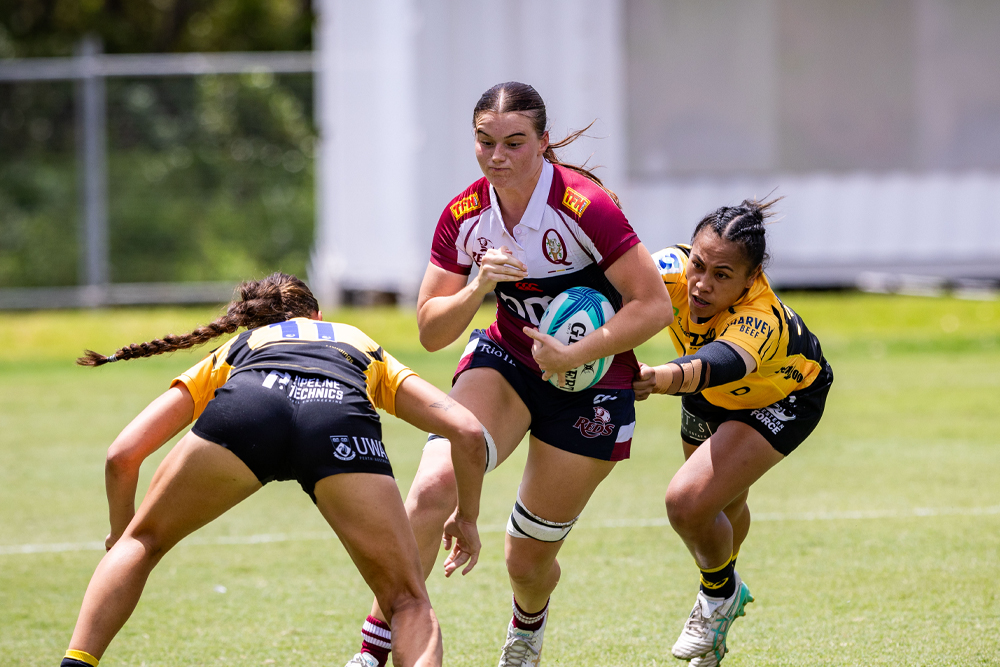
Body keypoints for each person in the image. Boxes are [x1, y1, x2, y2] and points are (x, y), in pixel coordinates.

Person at [342, 81, 672, 667]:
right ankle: (377, 643)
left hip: (591, 385)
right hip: (508, 362)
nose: (498, 157)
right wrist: (477, 287)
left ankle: (527, 625)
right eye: (485, 141)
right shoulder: (466, 214)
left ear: (544, 142)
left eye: (515, 143)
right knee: (433, 489)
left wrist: (575, 354)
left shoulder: (584, 206)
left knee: (527, 559)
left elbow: (652, 305)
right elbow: (430, 330)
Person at [58, 272, 488, 667]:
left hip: (249, 406)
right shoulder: (355, 340)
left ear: (251, 323)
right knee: (408, 600)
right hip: (336, 418)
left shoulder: (242, 346)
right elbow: (467, 431)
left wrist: (124, 541)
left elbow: (121, 455)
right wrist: (465, 516)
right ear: (319, 316)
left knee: (144, 542)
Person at [634, 198, 834, 666]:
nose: (701, 284)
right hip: (708, 395)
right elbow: (618, 277)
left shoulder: (760, 316)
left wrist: (656, 378)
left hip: (781, 397)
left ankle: (718, 596)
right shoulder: (675, 269)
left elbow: (718, 364)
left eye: (722, 275)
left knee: (686, 503)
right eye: (699, 265)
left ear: (751, 277)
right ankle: (723, 604)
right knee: (721, 505)